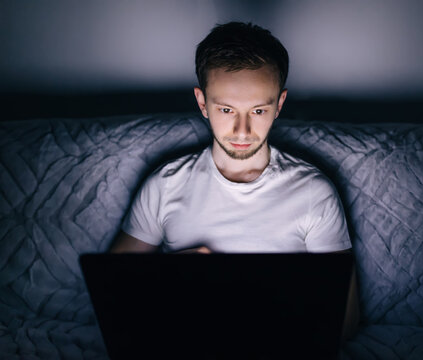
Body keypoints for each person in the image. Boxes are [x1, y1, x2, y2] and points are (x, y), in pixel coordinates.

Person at [110, 22, 352, 255]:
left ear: (279, 104)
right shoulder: (164, 186)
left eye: (258, 111)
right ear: (202, 103)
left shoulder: (314, 193)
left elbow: (343, 298)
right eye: (227, 110)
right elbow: (111, 286)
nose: (243, 131)